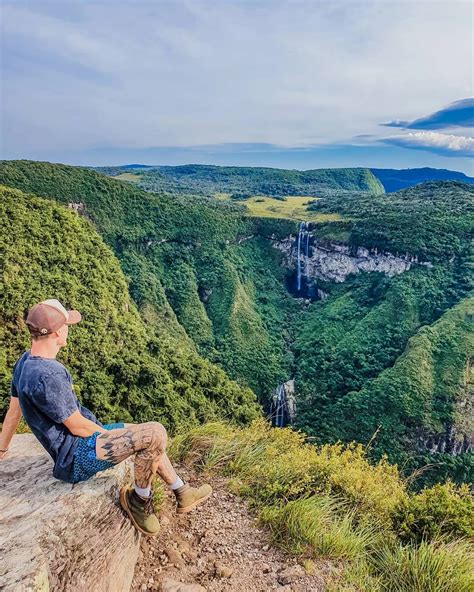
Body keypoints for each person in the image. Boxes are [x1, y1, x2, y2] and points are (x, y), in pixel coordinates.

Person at [0, 299, 212, 537]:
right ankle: (139, 501)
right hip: (75, 457)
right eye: (67, 324)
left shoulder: (25, 362)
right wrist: (123, 440)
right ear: (58, 332)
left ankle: (181, 491)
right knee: (154, 434)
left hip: (79, 444)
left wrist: (2, 448)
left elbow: (13, 410)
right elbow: (78, 427)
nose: (69, 329)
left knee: (144, 432)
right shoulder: (48, 374)